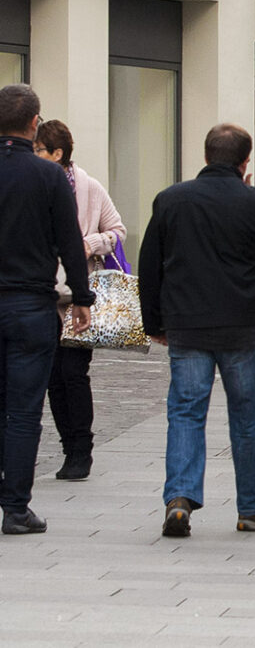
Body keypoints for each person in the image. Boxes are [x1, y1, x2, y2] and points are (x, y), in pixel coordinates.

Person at [138, 123, 255, 538]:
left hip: (187, 324)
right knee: (246, 417)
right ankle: (253, 508)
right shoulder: (253, 201)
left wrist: (154, 322)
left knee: (186, 412)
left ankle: (179, 499)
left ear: (206, 155)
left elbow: (149, 265)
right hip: (242, 326)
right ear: (245, 162)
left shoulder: (171, 199)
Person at [0, 84, 94, 535]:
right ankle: (15, 509)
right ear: (34, 124)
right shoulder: (49, 176)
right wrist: (81, 297)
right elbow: (70, 243)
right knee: (23, 411)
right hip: (31, 305)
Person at [32, 119, 125, 482]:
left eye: (39, 149)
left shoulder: (89, 187)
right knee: (53, 378)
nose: (34, 154)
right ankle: (68, 446)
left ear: (57, 153)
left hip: (78, 294)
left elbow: (116, 230)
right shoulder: (35, 183)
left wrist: (90, 243)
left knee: (73, 374)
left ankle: (81, 451)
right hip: (43, 293)